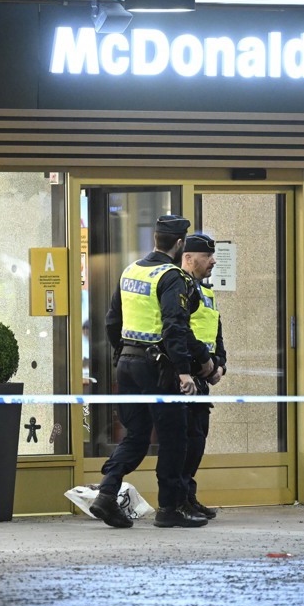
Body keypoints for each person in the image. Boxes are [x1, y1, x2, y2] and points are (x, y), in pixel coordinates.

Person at [92, 215, 211, 529]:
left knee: (136, 436)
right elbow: (175, 326)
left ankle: (106, 493)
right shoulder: (171, 276)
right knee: (173, 438)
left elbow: (110, 321)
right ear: (180, 243)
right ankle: (169, 508)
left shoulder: (131, 270)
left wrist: (122, 353)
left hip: (128, 363)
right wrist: (185, 372)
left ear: (155, 239)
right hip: (158, 367)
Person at [180, 232, 226, 520]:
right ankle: (178, 500)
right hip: (184, 377)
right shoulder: (177, 288)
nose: (213, 261)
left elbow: (216, 334)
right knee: (184, 442)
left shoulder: (206, 292)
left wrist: (220, 364)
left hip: (203, 377)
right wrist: (202, 364)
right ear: (188, 258)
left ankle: (188, 496)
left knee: (197, 440)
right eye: (207, 256)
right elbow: (178, 332)